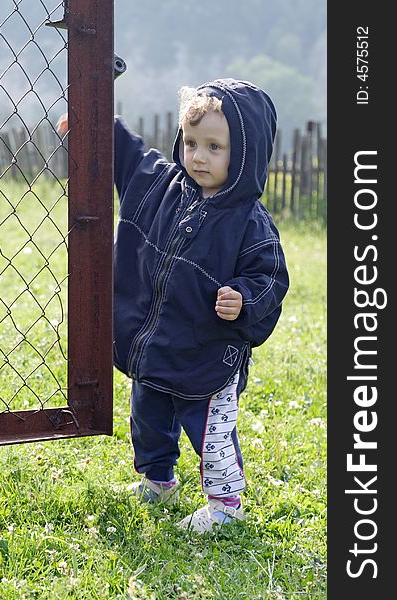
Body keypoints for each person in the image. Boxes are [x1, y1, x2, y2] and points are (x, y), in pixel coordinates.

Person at [58, 78, 289, 533]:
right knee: (148, 417)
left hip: (207, 356)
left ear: (244, 155)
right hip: (159, 344)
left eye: (215, 147)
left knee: (210, 432)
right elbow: (130, 154)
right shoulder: (161, 187)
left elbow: (271, 278)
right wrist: (97, 122)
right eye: (192, 142)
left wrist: (243, 297)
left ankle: (226, 503)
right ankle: (158, 479)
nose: (198, 156)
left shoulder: (250, 223)